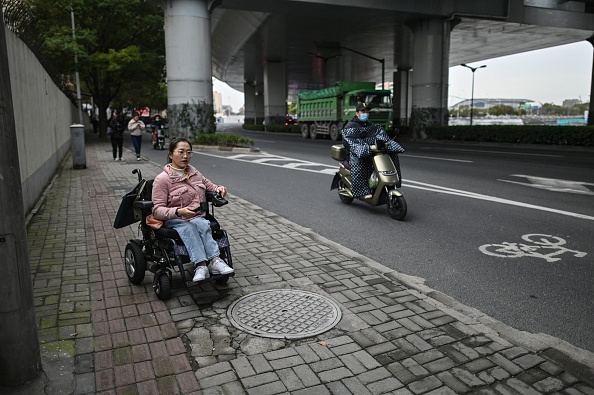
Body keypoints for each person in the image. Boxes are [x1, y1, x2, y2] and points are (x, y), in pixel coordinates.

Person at [151, 138, 234, 282]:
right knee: (188, 228)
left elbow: (210, 186)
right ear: (170, 154)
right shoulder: (162, 180)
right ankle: (200, 265)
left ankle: (215, 261)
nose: (185, 156)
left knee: (202, 224)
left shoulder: (194, 173)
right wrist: (179, 211)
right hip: (175, 219)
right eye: (181, 152)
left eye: (189, 153)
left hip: (196, 217)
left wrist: (219, 188)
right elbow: (157, 210)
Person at [341, 102, 404, 199]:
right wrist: (362, 148)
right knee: (361, 162)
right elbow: (349, 142)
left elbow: (379, 135)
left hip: (370, 152)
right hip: (354, 154)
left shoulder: (370, 125)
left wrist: (385, 142)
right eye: (363, 111)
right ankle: (362, 191)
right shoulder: (350, 126)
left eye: (367, 111)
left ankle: (391, 182)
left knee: (392, 154)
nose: (365, 113)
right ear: (357, 113)